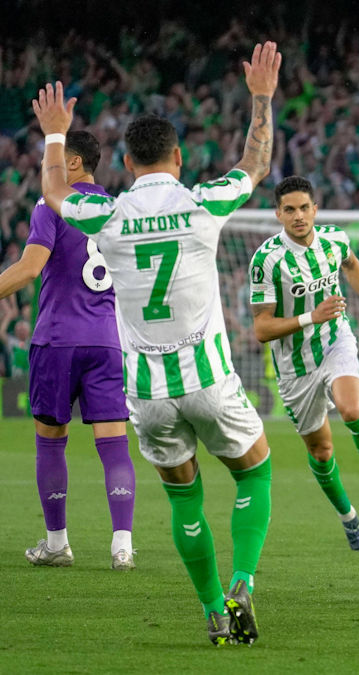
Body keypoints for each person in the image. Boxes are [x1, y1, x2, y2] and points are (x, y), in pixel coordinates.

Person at [31, 41, 281, 645]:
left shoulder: (108, 214)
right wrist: (261, 98)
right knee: (255, 474)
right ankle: (241, 581)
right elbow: (255, 164)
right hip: (208, 378)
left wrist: (55, 135)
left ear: (125, 160)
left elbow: (56, 193)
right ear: (179, 156)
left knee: (182, 497)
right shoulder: (203, 203)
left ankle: (212, 611)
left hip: (145, 389)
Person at [0, 130, 136, 571]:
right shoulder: (118, 210)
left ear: (73, 163)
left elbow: (30, 267)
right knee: (114, 444)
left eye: (53, 160)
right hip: (107, 340)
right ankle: (122, 547)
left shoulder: (52, 204)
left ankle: (57, 543)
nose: (48, 169)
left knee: (50, 441)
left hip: (57, 338)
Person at [249, 176, 359, 551]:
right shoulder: (266, 260)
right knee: (321, 452)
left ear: (315, 209)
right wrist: (310, 317)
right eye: (290, 209)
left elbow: (351, 265)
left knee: (352, 409)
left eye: (305, 208)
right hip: (294, 366)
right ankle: (350, 520)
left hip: (335, 340)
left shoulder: (334, 240)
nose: (299, 216)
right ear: (278, 214)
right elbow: (261, 328)